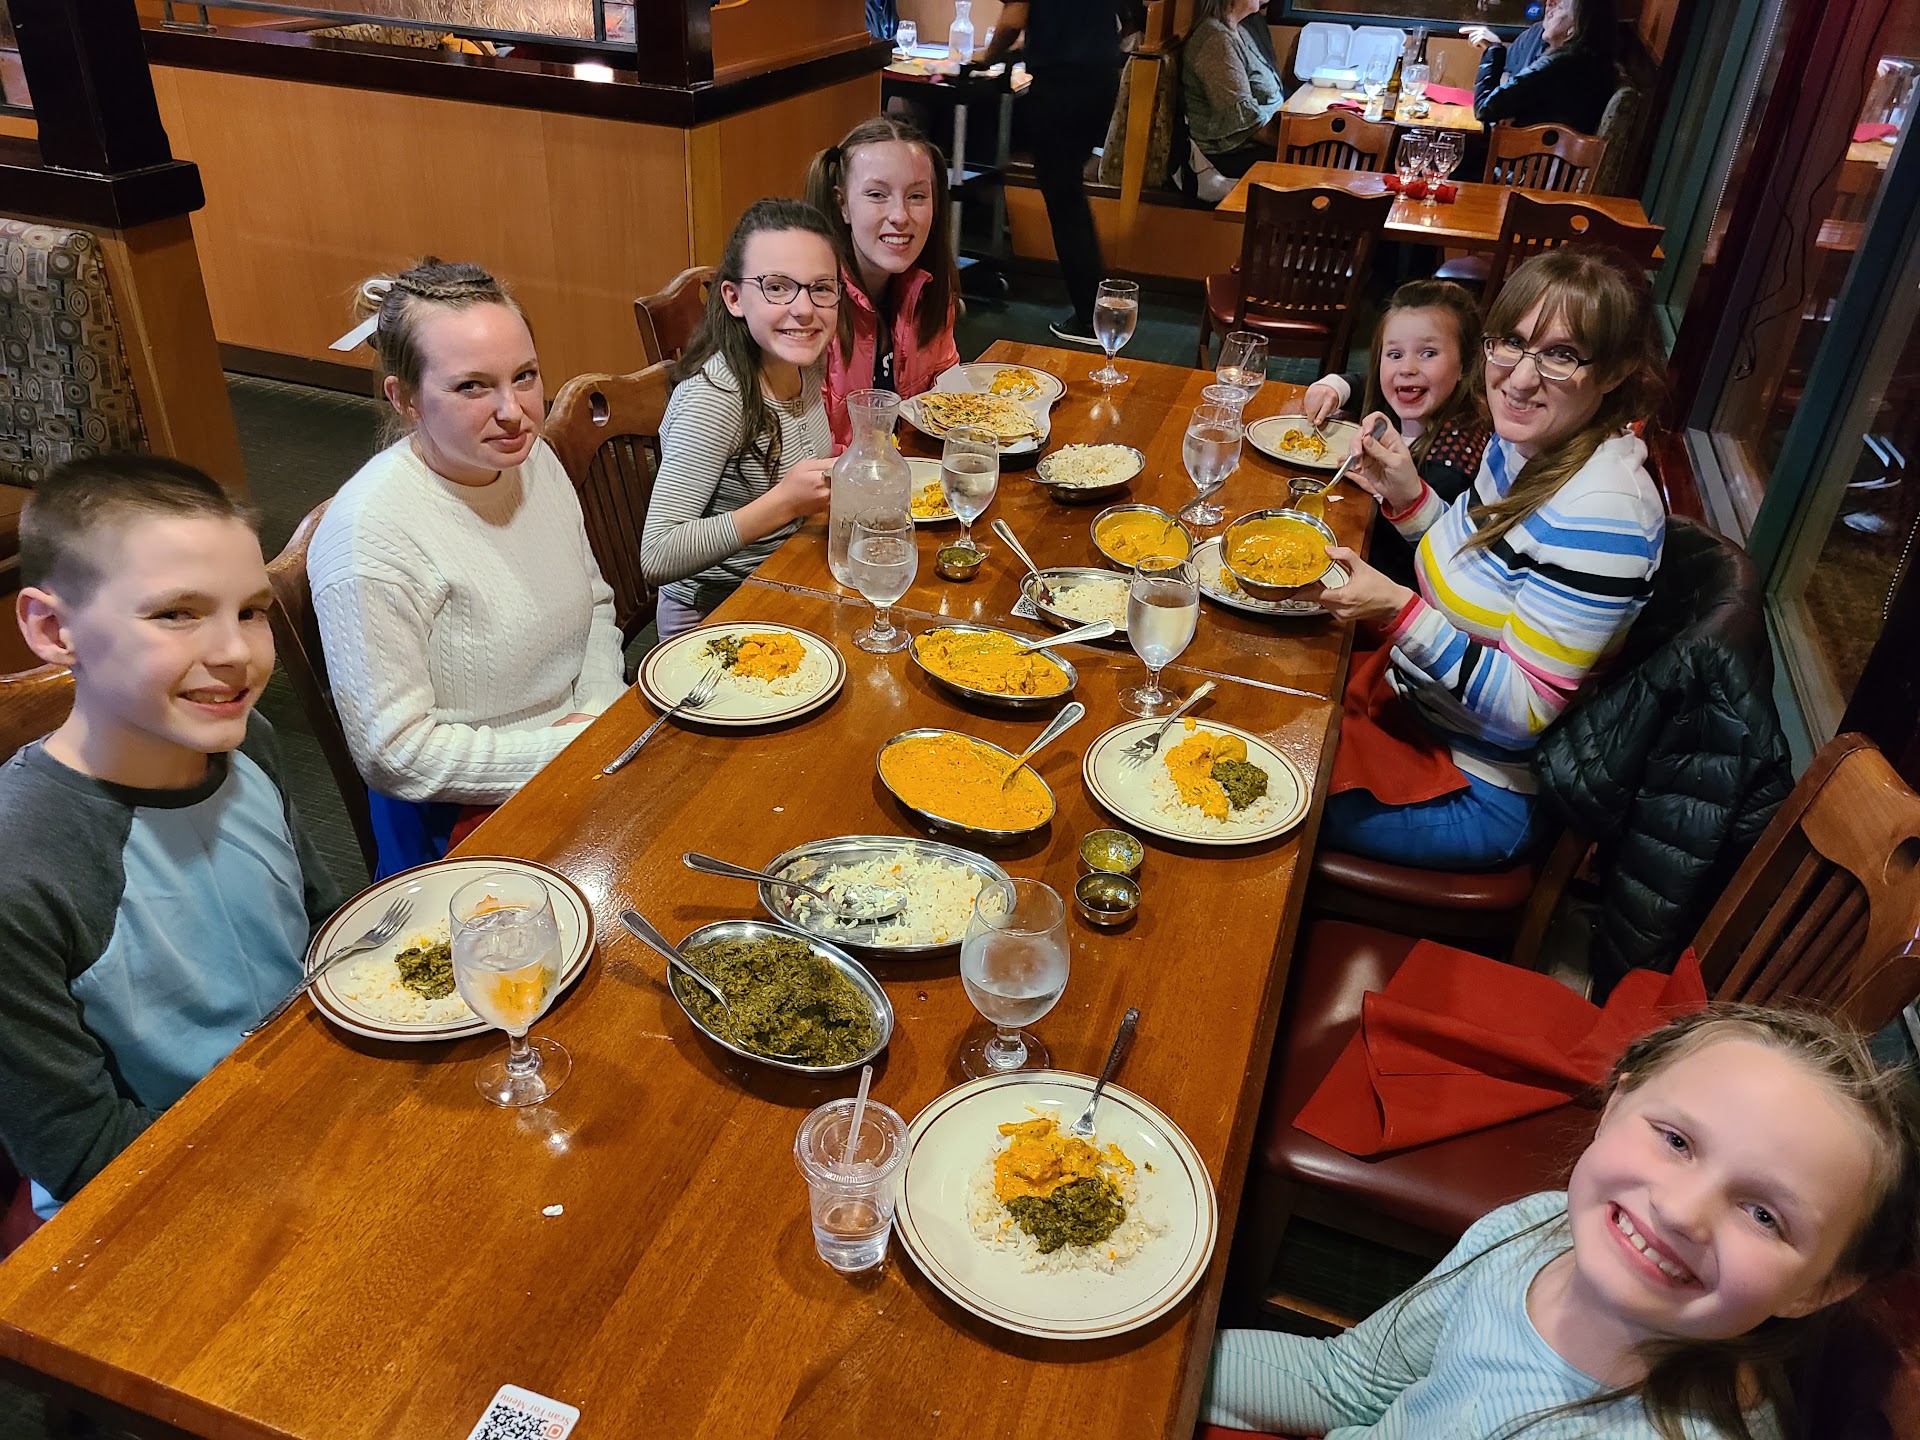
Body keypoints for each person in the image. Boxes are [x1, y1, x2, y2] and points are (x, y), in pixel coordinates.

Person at [1207, 1004, 1920, 1438]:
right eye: (1677, 1141)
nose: (1680, 1211)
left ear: (1821, 1287)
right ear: (1616, 1104)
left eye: (1763, 1214)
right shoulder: (1536, 1229)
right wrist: (1165, 1362)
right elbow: (1348, 1382)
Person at [0, 455, 342, 1218]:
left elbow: (324, 925)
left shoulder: (246, 743)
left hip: (312, 1102)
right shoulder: (21, 872)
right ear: (53, 629)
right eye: (176, 613)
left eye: (250, 611)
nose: (236, 653)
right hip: (164, 1197)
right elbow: (85, 1151)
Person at [1306, 248, 1666, 870]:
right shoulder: (1527, 441)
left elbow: (1525, 709)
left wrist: (1398, 612)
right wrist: (1409, 498)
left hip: (1479, 784)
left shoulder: (1605, 515)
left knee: (1248, 791)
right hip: (1412, 705)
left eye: (1561, 354)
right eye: (1514, 344)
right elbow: (1477, 567)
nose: (1520, 380)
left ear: (1614, 372)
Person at [310, 259, 625, 877]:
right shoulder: (370, 535)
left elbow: (594, 601)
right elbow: (396, 753)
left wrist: (596, 712)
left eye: (525, 376)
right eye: (472, 387)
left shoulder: (531, 461)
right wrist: (565, 748)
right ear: (404, 398)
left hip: (578, 747)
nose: (514, 411)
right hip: (457, 814)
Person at [641, 199, 837, 637]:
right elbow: (656, 553)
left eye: (821, 288)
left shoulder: (804, 360)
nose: (805, 308)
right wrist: (784, 503)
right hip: (715, 615)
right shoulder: (717, 398)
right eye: (777, 287)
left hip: (784, 579)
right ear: (733, 298)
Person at [1300, 279, 1491, 585]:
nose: (1407, 368)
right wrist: (1333, 387)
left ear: (1465, 365)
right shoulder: (1412, 397)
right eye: (1394, 354)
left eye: (1428, 353)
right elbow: (1364, 383)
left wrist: (1384, 493)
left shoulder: (1452, 464)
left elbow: (1417, 558)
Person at [978, 1, 1144, 345]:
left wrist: (987, 57)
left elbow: (1013, 19)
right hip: (1101, 78)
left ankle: (1090, 318)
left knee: (1065, 201)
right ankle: (1098, 308)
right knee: (1071, 198)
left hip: (1061, 87)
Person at [803, 116, 961, 447]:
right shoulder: (809, 309)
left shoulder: (929, 289)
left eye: (917, 196)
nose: (900, 216)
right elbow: (802, 451)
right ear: (843, 205)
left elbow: (948, 398)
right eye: (877, 194)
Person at [1465, 0, 1618, 135]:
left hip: (1529, 156)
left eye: (1560, 6)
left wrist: (1493, 49)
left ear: (1574, 26)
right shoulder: (1590, 63)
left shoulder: (1560, 65)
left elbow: (1485, 109)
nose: (1548, 6)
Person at [1182, 0, 1288, 180]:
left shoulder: (1240, 30)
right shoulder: (1215, 40)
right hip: (1228, 155)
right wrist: (1293, 143)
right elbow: (1246, 123)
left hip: (1255, 143)